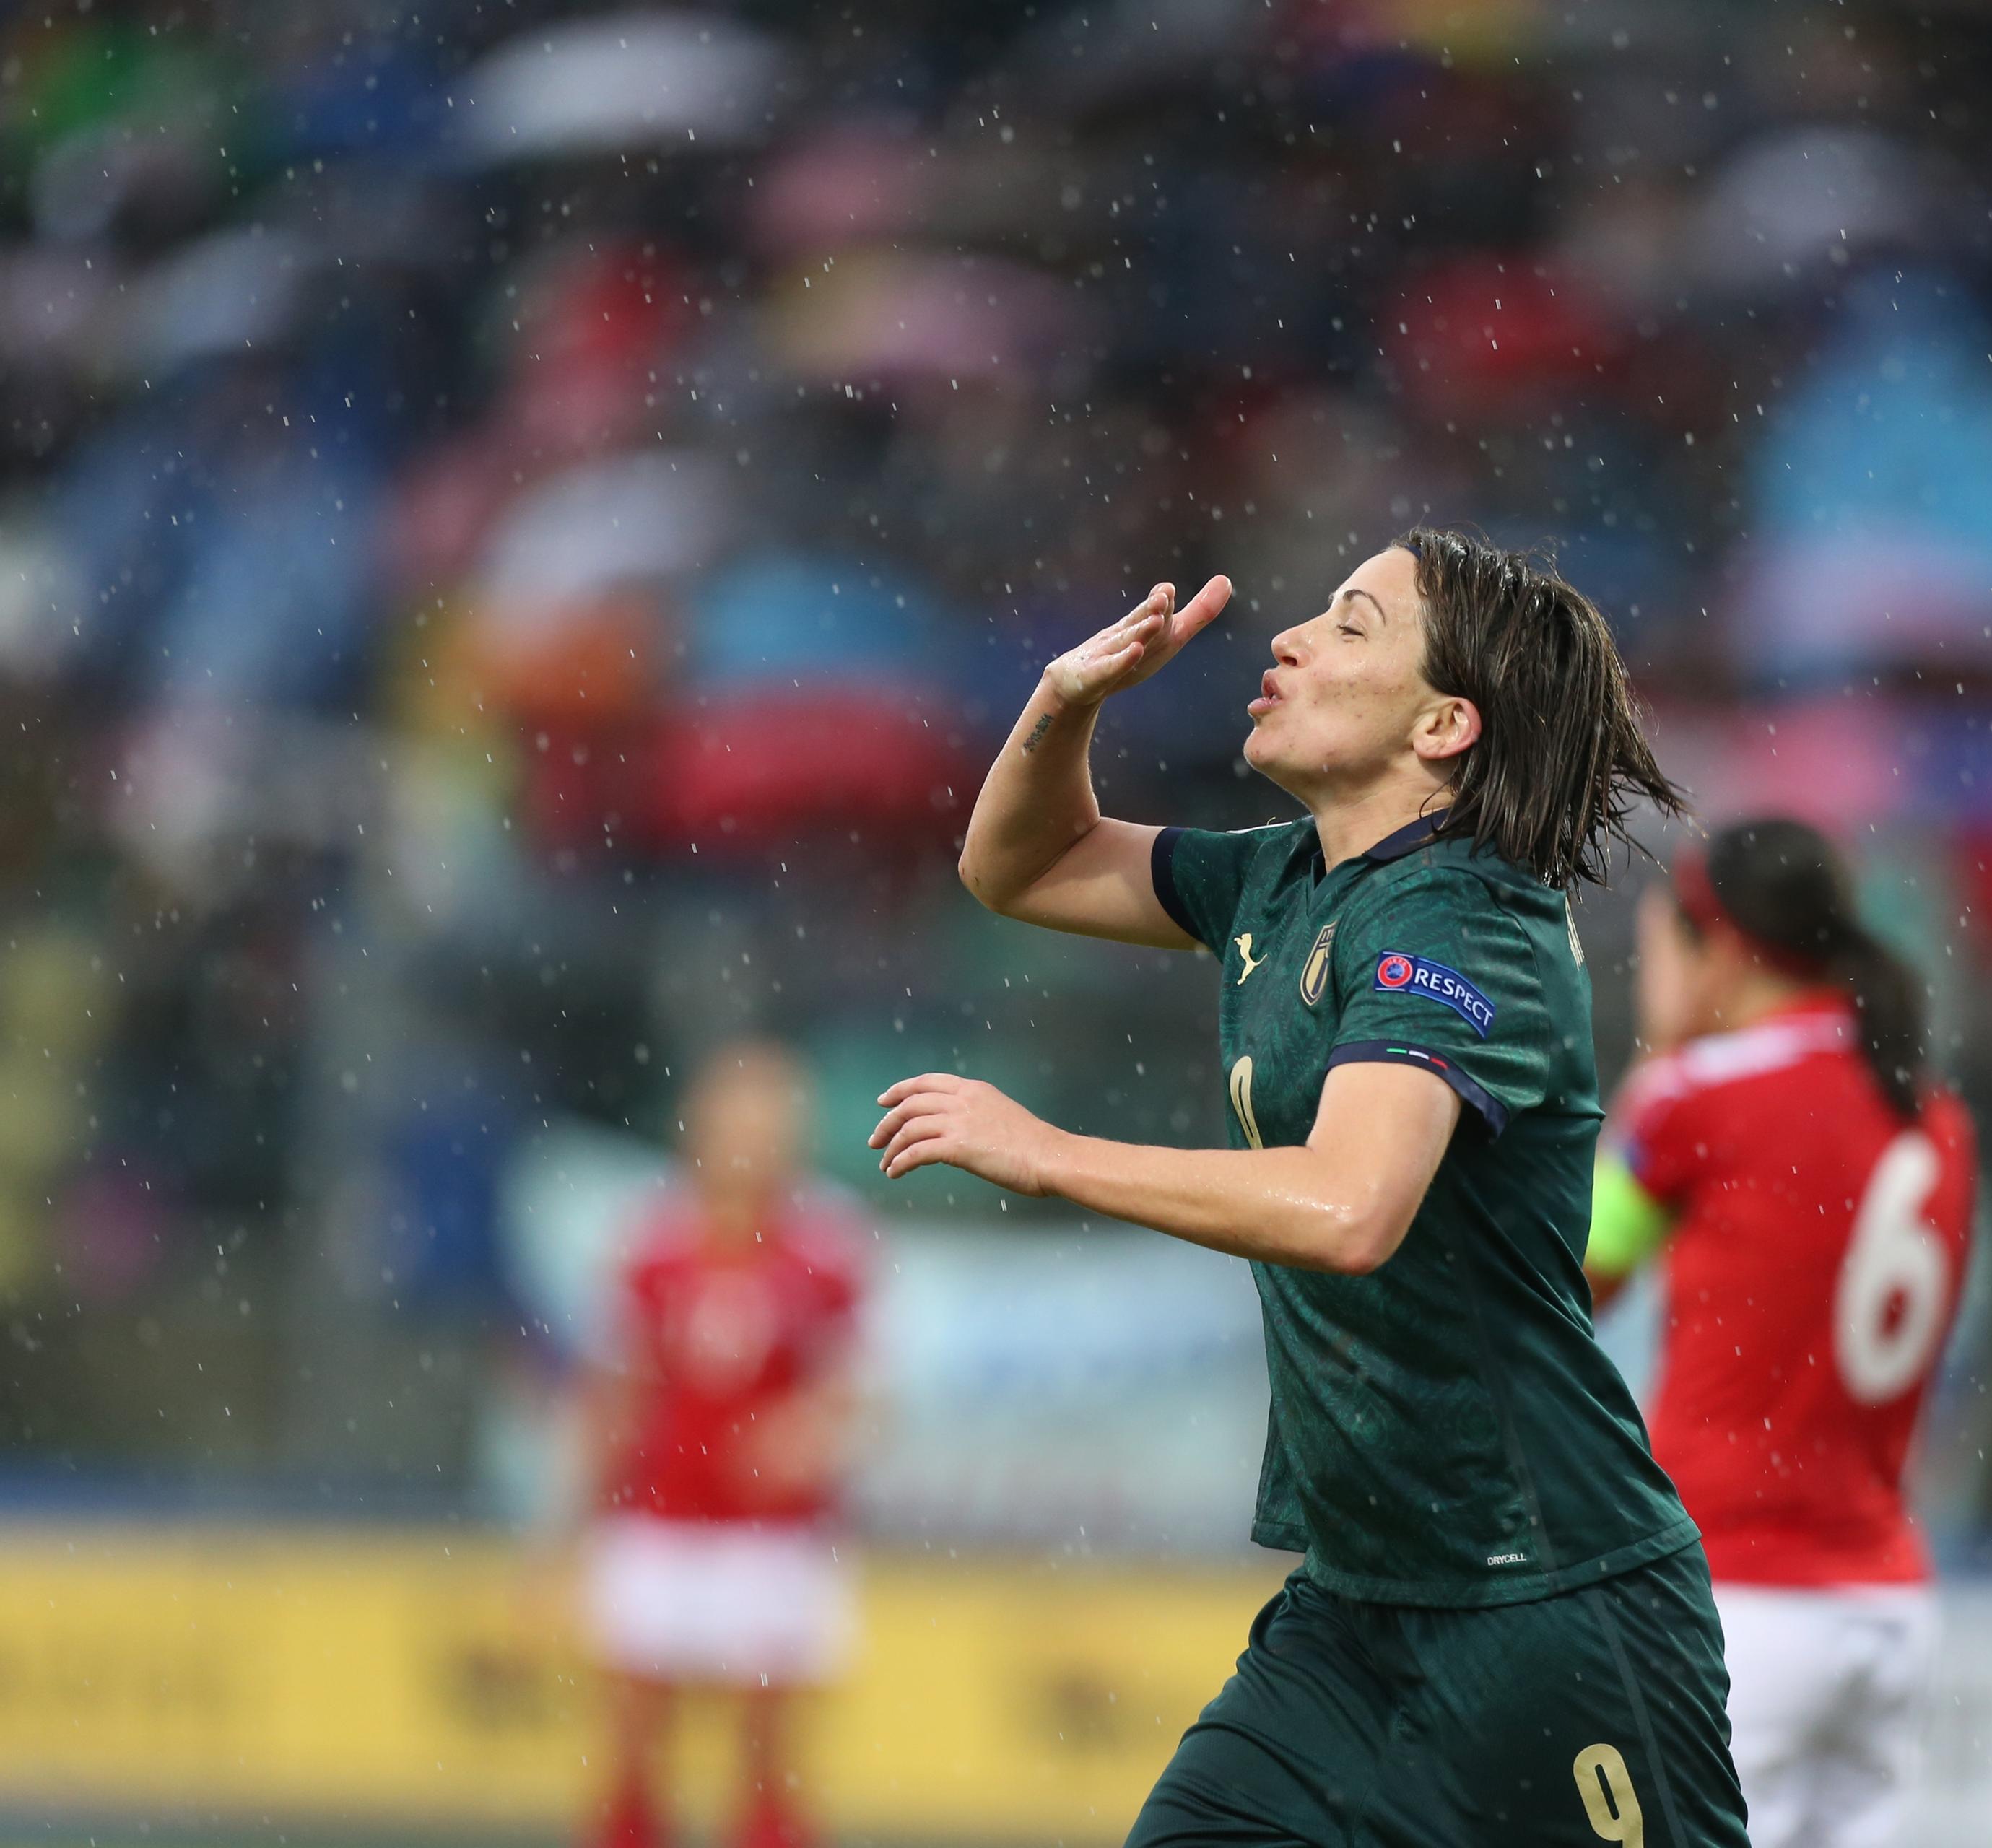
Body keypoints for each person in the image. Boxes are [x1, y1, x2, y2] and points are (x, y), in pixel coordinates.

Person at [867, 533, 1749, 1846]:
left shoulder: (1466, 922)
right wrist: (1065, 705)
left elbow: (1351, 1209)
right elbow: (1021, 867)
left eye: (1350, 626)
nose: (1288, 640)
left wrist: (1044, 1151)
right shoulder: (1280, 879)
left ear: (1446, 724)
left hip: (1549, 1608)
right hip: (1350, 1617)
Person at [1584, 820, 1977, 1848]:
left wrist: (1654, 1060)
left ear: (1718, 945)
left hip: (1735, 1596)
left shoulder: (1694, 1098)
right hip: (1886, 1601)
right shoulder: (1933, 1113)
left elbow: (1569, 1280)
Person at [580, 1040, 869, 1848]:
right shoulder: (653, 1237)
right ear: (697, 1128)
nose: (751, 1139)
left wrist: (806, 1434)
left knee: (768, 1755)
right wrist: (573, 1523)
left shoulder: (828, 1243)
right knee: (633, 1745)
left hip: (773, 1536)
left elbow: (856, 1389)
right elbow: (617, 1387)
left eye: (769, 1120)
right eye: (735, 1118)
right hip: (663, 1520)